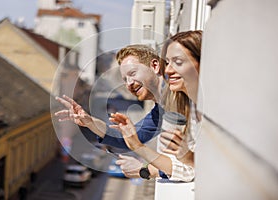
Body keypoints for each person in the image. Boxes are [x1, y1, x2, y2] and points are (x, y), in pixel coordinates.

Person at [109, 30, 202, 181]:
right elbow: (182, 166)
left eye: (177, 62)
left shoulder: (200, 109)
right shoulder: (183, 105)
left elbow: (188, 170)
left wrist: (140, 154)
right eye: (168, 63)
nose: (169, 70)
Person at [55, 44, 164, 149]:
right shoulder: (159, 113)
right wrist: (89, 122)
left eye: (133, 73)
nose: (129, 83)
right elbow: (126, 139)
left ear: (154, 66)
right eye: (125, 80)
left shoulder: (178, 95)